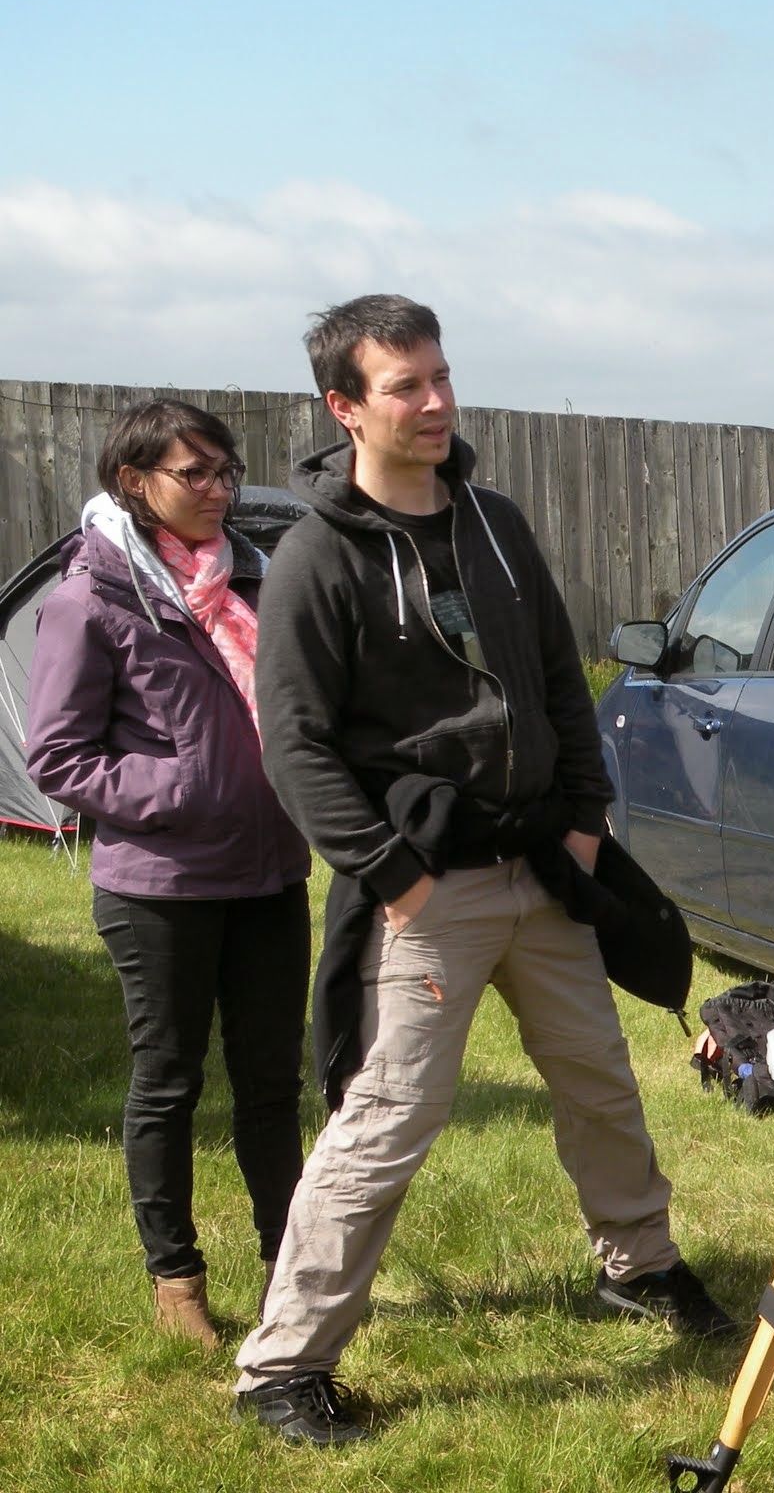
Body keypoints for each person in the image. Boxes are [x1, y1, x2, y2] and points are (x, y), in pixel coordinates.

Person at [232, 295, 735, 1445]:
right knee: (389, 1119)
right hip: (426, 887)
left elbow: (559, 678)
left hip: (543, 866)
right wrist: (394, 877)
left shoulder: (495, 524)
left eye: (441, 376)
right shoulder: (318, 557)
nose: (435, 402)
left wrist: (584, 822)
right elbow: (294, 746)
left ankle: (639, 1267)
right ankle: (283, 1367)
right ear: (344, 407)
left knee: (599, 1081)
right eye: (404, 385)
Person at [26, 400, 312, 1349]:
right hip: (160, 887)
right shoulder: (91, 599)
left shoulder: (255, 581)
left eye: (226, 471)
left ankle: (289, 1269)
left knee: (272, 1085)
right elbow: (58, 756)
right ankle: (176, 1278)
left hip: (271, 874)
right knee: (168, 1083)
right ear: (134, 482)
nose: (218, 489)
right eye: (195, 473)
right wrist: (186, 787)